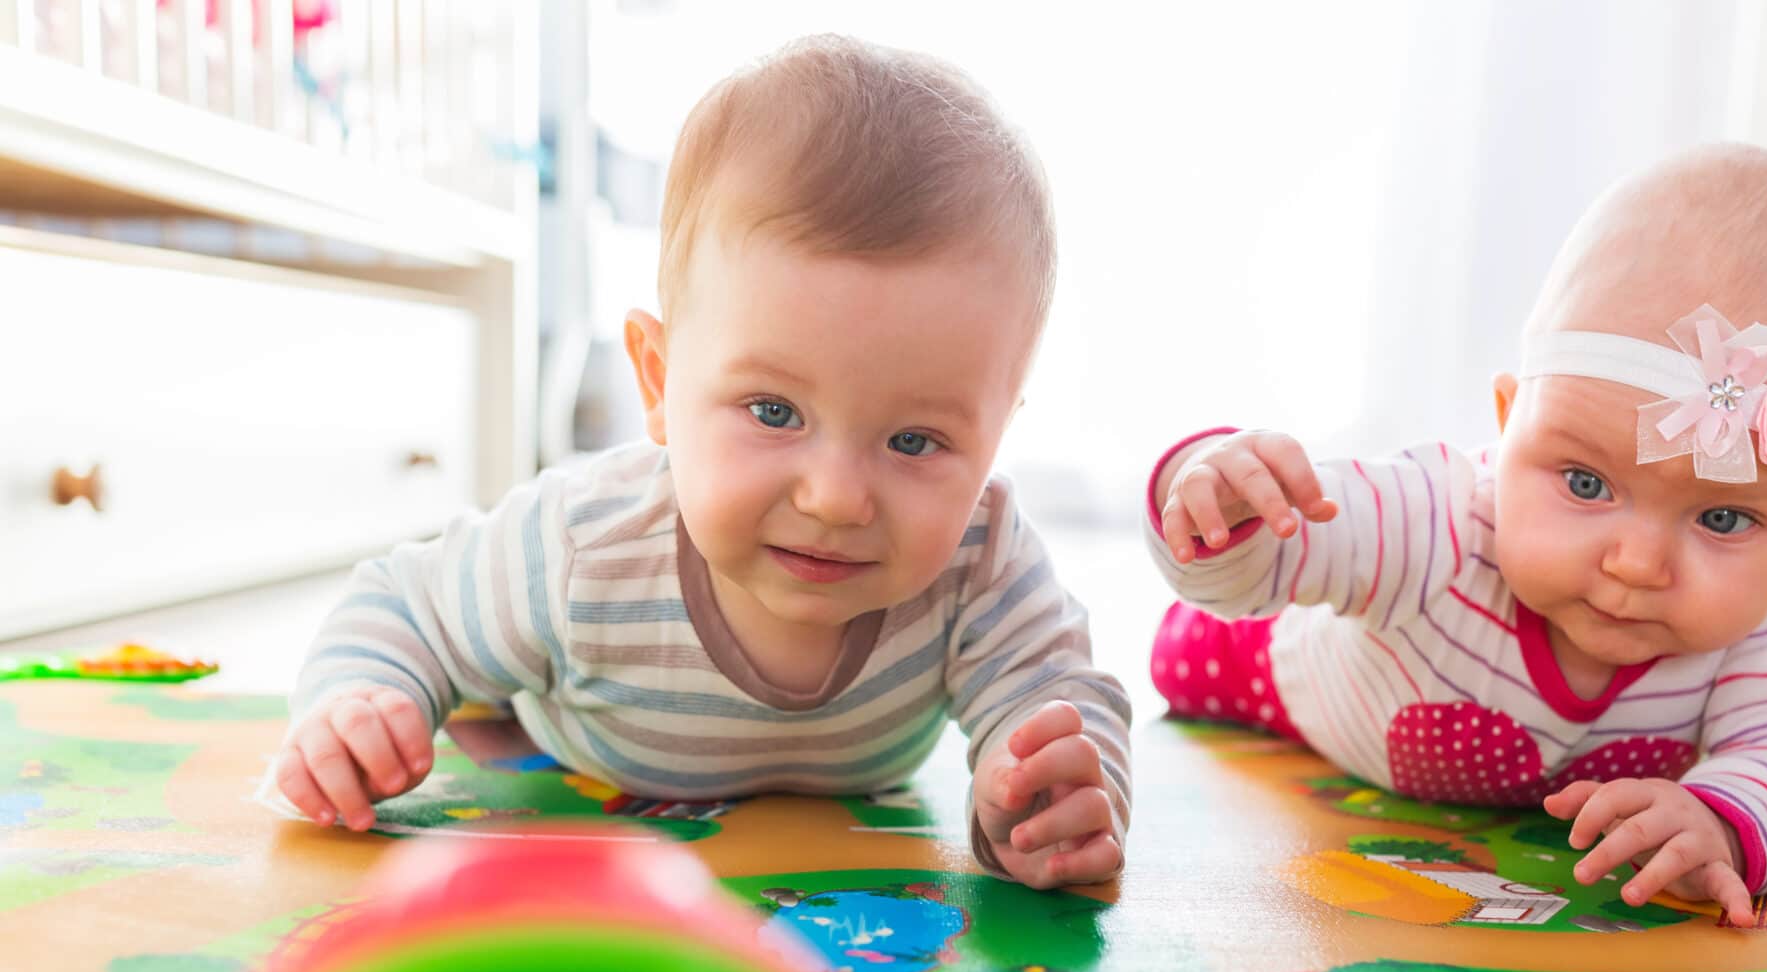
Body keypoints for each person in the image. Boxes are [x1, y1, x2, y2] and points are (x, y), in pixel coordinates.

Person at [277, 35, 1130, 889]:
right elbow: (404, 604)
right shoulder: (581, 549)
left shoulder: (981, 560)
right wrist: (360, 705)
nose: (835, 499)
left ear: (995, 435)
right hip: (570, 827)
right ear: (658, 378)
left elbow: (1058, 698)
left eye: (915, 441)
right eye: (773, 411)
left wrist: (1046, 794)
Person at [1145, 145, 1767, 924]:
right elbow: (1301, 526)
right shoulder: (1442, 517)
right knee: (1205, 627)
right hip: (1297, 678)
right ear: (1509, 425)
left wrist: (1727, 825)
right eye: (1585, 482)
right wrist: (1220, 502)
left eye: (1724, 518)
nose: (1637, 563)